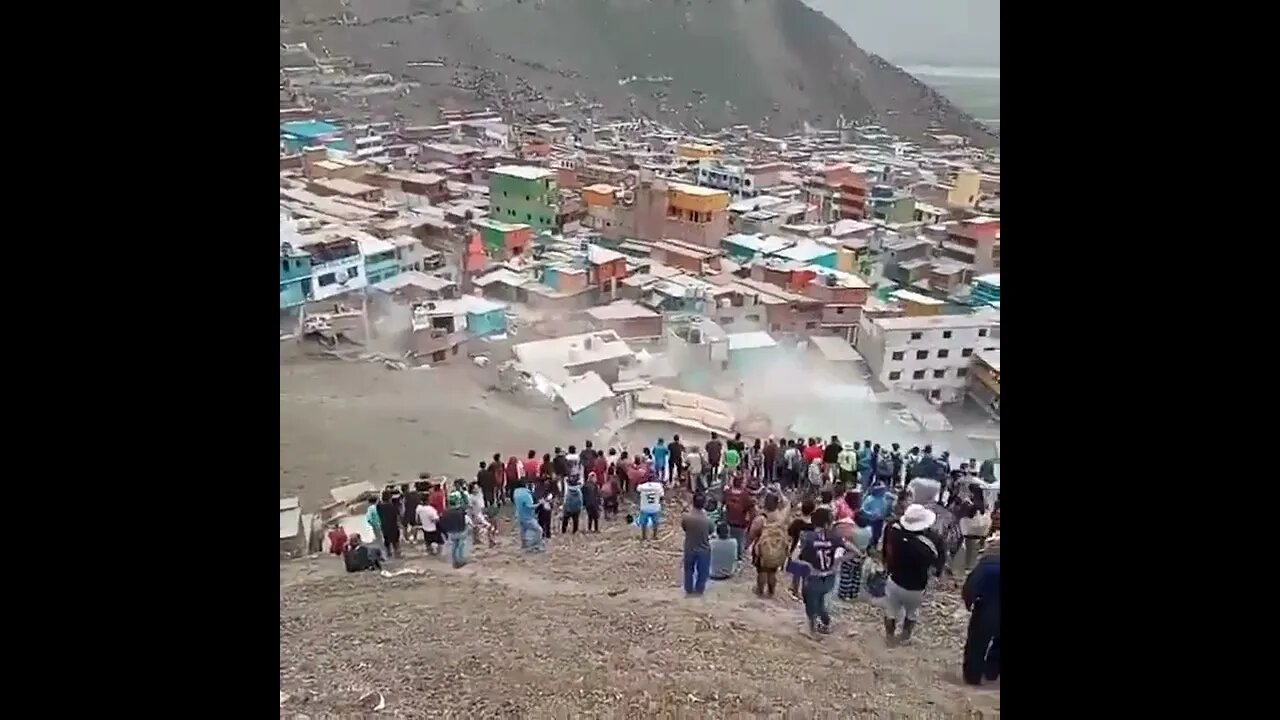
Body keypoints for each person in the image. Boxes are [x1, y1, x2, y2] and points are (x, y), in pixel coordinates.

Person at [883, 504, 947, 645]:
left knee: (891, 610)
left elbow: (886, 550)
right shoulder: (931, 542)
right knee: (912, 613)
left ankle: (889, 637)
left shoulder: (894, 531)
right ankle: (905, 638)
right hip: (916, 586)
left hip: (894, 579)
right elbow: (938, 564)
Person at [791, 507, 843, 636]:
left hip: (813, 577)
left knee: (811, 605)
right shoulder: (835, 538)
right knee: (820, 602)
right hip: (829, 578)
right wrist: (836, 565)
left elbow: (793, 558)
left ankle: (812, 630)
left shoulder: (805, 537)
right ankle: (826, 624)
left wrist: (808, 565)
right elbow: (855, 552)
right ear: (826, 524)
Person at [962, 537, 1001, 685]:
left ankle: (972, 677)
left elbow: (970, 587)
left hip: (986, 610)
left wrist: (968, 603)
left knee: (977, 644)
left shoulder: (984, 566)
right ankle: (992, 672)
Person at [747, 493, 790, 597]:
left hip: (762, 549)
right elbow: (788, 503)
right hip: (777, 548)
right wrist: (780, 491)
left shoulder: (761, 519)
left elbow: (752, 534)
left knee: (762, 570)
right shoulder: (781, 516)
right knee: (772, 571)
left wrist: (748, 544)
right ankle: (771, 591)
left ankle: (760, 591)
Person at [836, 512, 874, 601]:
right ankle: (853, 593)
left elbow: (846, 542)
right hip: (862, 555)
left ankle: (844, 594)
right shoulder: (869, 531)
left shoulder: (852, 531)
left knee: (846, 574)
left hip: (851, 555)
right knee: (857, 575)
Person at [680, 494, 713, 595]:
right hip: (703, 549)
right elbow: (711, 531)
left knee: (688, 570)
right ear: (704, 504)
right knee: (702, 572)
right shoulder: (708, 520)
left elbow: (684, 528)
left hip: (690, 547)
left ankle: (688, 589)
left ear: (693, 503)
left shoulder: (686, 518)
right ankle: (699, 590)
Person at [786, 500, 816, 600]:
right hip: (810, 551)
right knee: (807, 573)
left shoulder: (797, 522)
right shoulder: (814, 524)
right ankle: (805, 593)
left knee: (796, 572)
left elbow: (789, 535)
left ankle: (795, 591)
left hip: (796, 549)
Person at [722, 475, 755, 561]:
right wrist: (750, 522)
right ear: (741, 483)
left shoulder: (727, 492)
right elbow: (751, 509)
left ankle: (728, 556)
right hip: (740, 523)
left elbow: (723, 504)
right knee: (739, 542)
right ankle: (737, 559)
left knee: (728, 540)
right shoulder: (745, 495)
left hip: (728, 521)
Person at [512, 479, 543, 552]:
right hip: (528, 517)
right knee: (539, 530)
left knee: (523, 531)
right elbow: (529, 506)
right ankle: (534, 545)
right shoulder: (526, 494)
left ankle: (524, 545)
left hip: (519, 516)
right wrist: (539, 504)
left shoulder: (515, 493)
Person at [438, 499, 471, 569]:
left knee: (454, 545)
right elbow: (467, 521)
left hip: (451, 531)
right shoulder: (461, 512)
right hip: (461, 530)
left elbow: (442, 521)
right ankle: (460, 560)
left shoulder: (446, 512)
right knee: (461, 545)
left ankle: (454, 560)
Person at [861, 483, 890, 550]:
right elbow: (862, 510)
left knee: (878, 535)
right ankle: (868, 548)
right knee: (870, 536)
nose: (882, 491)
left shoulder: (884, 498)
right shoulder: (869, 499)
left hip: (880, 521)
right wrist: (870, 514)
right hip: (871, 521)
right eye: (880, 490)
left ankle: (874, 547)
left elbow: (885, 510)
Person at [636, 474, 665, 540]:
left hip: (644, 508)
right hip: (655, 508)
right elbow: (662, 497)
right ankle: (654, 536)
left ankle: (644, 537)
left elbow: (637, 489)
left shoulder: (642, 487)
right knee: (655, 523)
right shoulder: (659, 487)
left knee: (643, 523)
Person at [375, 490, 402, 558]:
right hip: (394, 526)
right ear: (390, 498)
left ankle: (388, 554)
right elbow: (398, 516)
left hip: (384, 526)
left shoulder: (379, 507)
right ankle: (397, 554)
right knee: (395, 542)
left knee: (387, 541)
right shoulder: (393, 506)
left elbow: (377, 503)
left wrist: (380, 496)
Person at [468, 482, 495, 548]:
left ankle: (476, 540)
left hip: (480, 514)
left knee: (477, 529)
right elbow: (470, 508)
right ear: (472, 489)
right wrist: (472, 517)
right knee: (489, 526)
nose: (477, 489)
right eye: (475, 488)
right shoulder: (471, 497)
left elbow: (481, 506)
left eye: (478, 488)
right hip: (476, 515)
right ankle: (490, 541)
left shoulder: (479, 495)